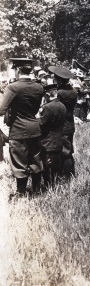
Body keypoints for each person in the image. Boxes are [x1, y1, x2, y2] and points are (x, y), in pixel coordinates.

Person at [0, 58, 45, 198]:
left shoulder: (13, 87)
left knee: (19, 163)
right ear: (30, 70)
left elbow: (1, 109)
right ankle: (37, 192)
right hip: (35, 129)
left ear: (17, 70)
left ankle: (21, 194)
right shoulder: (39, 87)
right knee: (36, 161)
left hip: (19, 130)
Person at [39, 85, 67, 187]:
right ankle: (55, 184)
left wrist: (37, 117)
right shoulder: (62, 106)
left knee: (46, 166)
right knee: (56, 165)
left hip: (47, 141)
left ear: (47, 95)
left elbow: (42, 123)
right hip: (58, 140)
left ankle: (47, 185)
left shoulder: (48, 107)